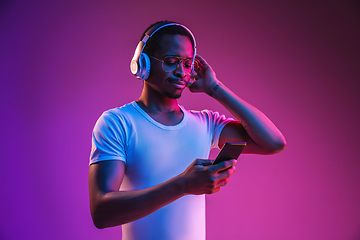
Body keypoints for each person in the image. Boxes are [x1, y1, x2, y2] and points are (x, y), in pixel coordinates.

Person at [88, 21, 286, 240]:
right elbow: (102, 212)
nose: (181, 72)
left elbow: (273, 142)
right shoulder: (117, 122)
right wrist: (183, 184)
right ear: (142, 63)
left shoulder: (206, 123)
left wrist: (214, 88)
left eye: (187, 63)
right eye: (171, 62)